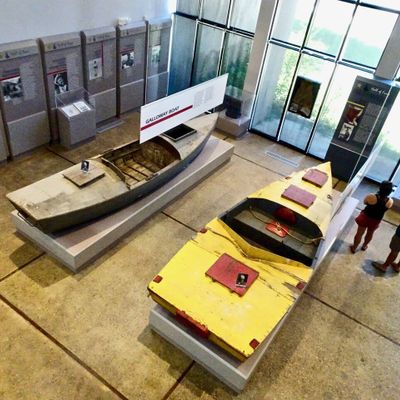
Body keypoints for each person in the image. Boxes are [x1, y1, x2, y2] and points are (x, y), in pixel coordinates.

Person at [350, 180, 393, 253]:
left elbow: (365, 202)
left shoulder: (372, 196)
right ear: (390, 191)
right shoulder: (390, 201)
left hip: (365, 217)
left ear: (380, 188)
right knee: (370, 233)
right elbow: (386, 209)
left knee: (359, 233)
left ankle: (354, 248)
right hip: (376, 220)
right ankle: (364, 246)